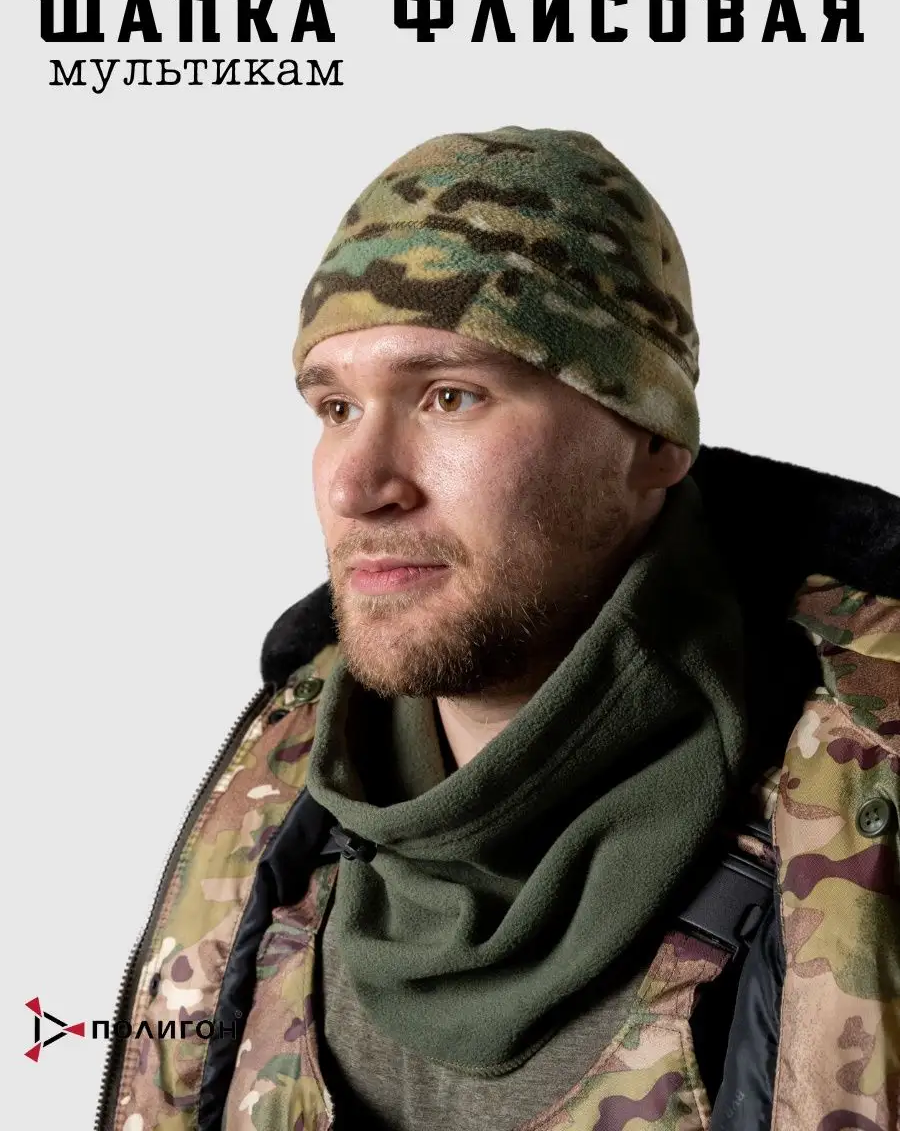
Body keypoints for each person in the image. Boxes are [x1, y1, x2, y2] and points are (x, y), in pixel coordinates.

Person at [95, 127, 900, 1131]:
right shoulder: (277, 778)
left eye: (449, 396)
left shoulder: (871, 776)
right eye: (335, 408)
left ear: (651, 437)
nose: (357, 485)